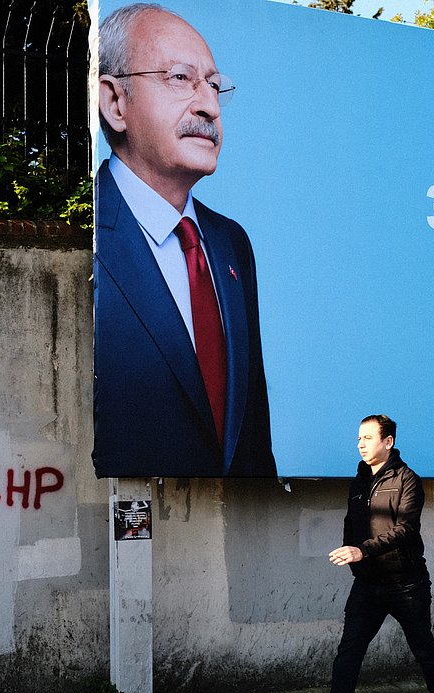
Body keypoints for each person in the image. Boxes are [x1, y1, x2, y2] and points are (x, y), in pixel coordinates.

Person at [93, 3, 275, 477]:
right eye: (180, 78)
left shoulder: (231, 243)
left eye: (214, 85)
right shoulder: (83, 230)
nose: (209, 106)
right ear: (115, 102)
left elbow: (251, 432)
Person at [297, 415, 434, 693]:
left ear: (388, 442)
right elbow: (351, 525)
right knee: (350, 650)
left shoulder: (407, 480)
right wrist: (353, 554)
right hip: (368, 584)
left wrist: (362, 551)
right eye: (359, 438)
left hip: (406, 583)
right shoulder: (359, 481)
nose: (360, 443)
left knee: (422, 647)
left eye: (368, 438)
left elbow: (405, 530)